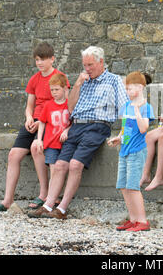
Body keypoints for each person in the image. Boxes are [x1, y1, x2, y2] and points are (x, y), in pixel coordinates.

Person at [28, 46, 128, 219]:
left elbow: (125, 108)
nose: (87, 69)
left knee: (75, 164)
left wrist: (122, 133)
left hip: (97, 125)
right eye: (85, 65)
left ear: (101, 62)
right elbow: (70, 106)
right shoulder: (83, 80)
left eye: (90, 65)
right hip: (76, 125)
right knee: (60, 165)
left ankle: (62, 209)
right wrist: (77, 84)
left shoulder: (113, 80)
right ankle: (48, 205)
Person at [0, 42, 70, 211]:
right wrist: (29, 118)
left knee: (37, 147)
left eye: (43, 59)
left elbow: (65, 104)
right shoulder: (34, 79)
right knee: (13, 154)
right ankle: (8, 200)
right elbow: (30, 105)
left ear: (52, 59)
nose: (39, 63)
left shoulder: (60, 77)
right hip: (33, 120)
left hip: (51, 121)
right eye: (37, 60)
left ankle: (44, 194)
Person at [108, 71, 155, 232]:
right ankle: (133, 219)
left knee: (134, 187)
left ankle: (142, 221)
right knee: (123, 186)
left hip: (137, 152)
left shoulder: (146, 107)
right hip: (125, 151)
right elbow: (125, 128)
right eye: (126, 89)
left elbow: (143, 129)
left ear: (141, 87)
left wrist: (137, 111)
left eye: (131, 89)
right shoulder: (126, 106)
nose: (128, 93)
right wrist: (119, 138)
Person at [34, 73, 71, 177]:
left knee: (63, 170)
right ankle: (51, 193)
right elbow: (42, 122)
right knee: (53, 171)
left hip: (65, 144)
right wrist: (39, 140)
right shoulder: (48, 105)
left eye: (57, 89)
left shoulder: (69, 104)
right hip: (51, 144)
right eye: (52, 90)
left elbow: (74, 123)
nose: (54, 92)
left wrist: (67, 130)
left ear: (64, 88)